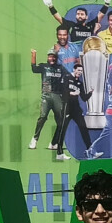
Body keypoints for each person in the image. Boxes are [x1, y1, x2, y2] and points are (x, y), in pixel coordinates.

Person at [28, 32, 75, 161]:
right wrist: (33, 55)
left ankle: (54, 143)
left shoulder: (61, 68)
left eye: (54, 57)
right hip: (46, 95)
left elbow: (70, 76)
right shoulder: (44, 66)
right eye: (50, 57)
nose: (52, 59)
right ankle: (35, 139)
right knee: (42, 117)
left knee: (61, 122)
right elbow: (33, 69)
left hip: (58, 97)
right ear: (48, 57)